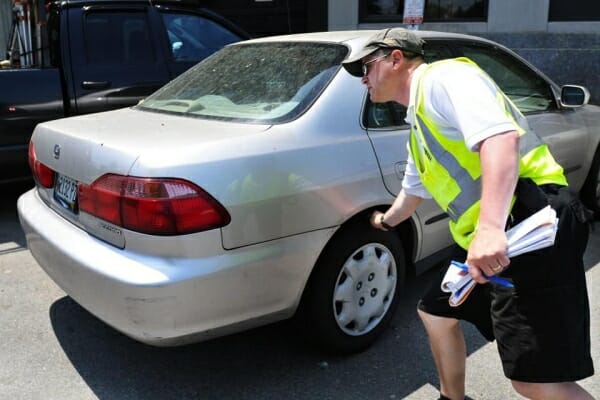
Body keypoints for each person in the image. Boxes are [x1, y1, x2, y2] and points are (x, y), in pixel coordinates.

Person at [342, 27, 594, 400]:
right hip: (490, 240)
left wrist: (490, 229)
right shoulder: (419, 127)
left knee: (535, 381)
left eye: (366, 66)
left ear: (396, 59)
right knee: (436, 313)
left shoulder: (446, 78)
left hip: (528, 224)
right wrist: (385, 221)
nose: (362, 78)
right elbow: (413, 192)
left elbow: (499, 139)